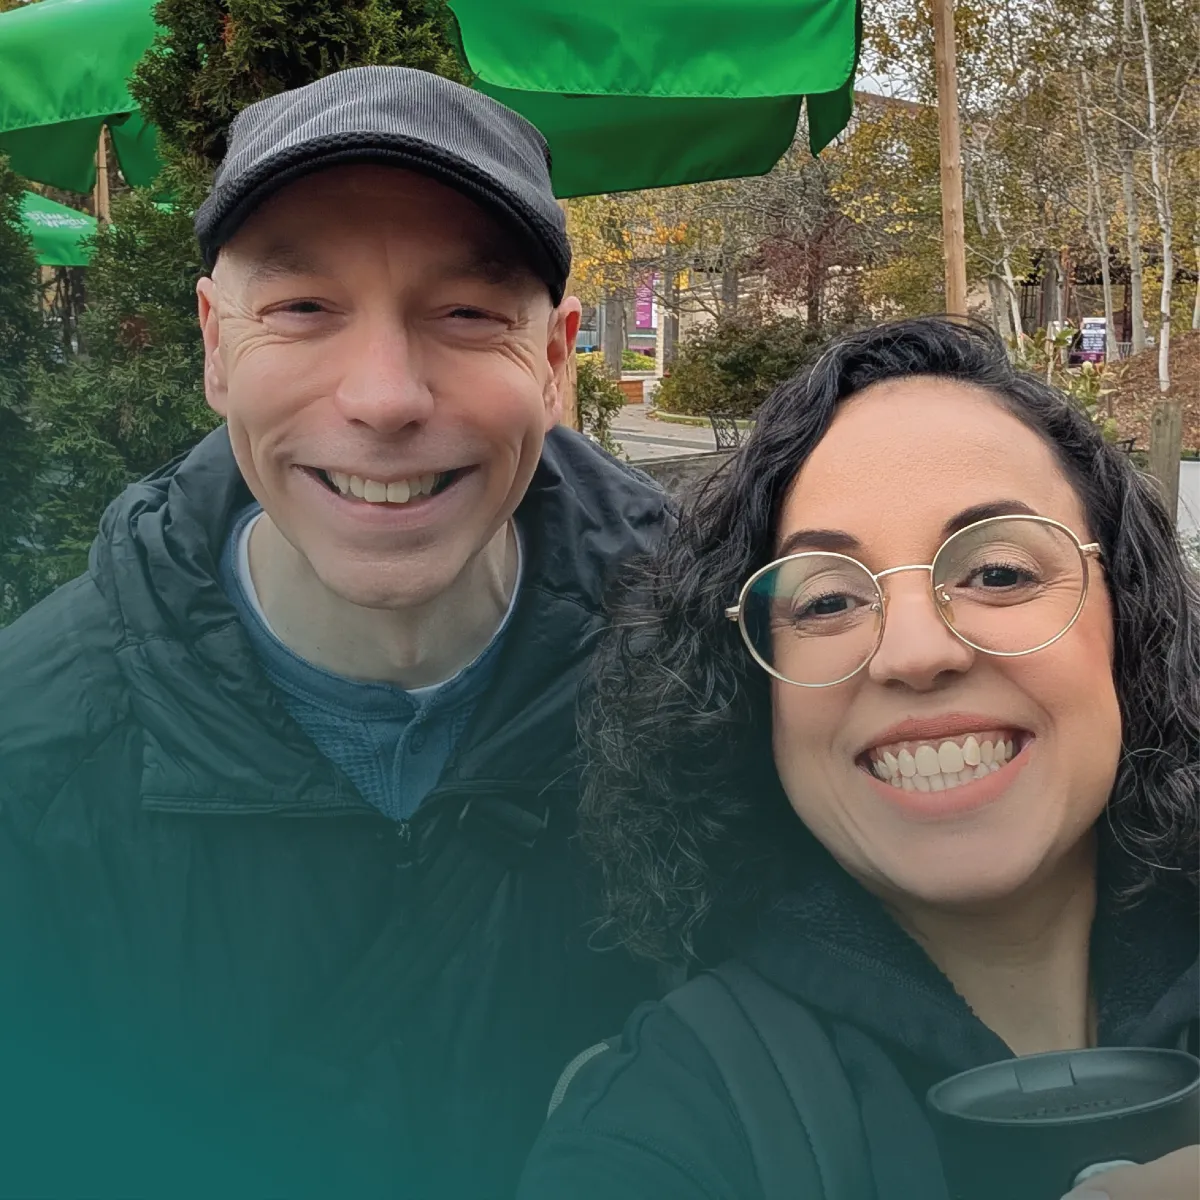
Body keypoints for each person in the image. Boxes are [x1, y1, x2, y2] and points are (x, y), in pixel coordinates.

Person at [0, 67, 669, 1198]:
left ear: (554, 361)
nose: (384, 396)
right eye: (304, 309)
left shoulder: (713, 692)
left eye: (465, 314)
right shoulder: (35, 764)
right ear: (218, 345)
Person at [519, 318, 1199, 1200]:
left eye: (997, 573)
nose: (913, 652)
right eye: (829, 600)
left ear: (1129, 622)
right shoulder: (666, 1123)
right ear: (753, 695)